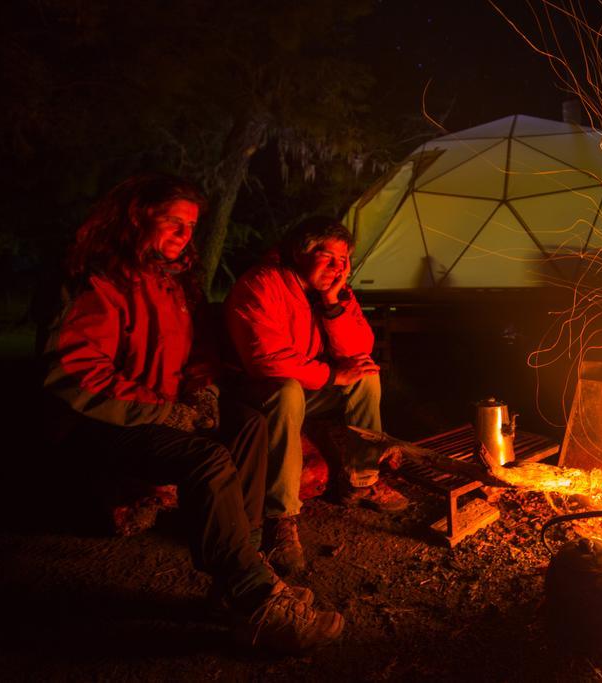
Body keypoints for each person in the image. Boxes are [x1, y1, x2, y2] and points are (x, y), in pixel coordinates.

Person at [41, 173, 342, 653]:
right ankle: (255, 599)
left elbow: (197, 352)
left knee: (248, 423)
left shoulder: (176, 284)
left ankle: (238, 575)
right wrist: (164, 412)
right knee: (206, 460)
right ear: (137, 219)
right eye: (173, 224)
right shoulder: (97, 279)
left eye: (190, 228)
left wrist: (201, 389)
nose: (184, 238)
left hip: (159, 410)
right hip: (99, 420)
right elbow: (75, 373)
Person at [225, 216, 408, 575]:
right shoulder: (262, 284)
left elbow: (360, 349)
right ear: (299, 252)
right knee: (289, 390)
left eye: (344, 260)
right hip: (256, 391)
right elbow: (264, 360)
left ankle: (361, 480)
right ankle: (281, 516)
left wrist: (332, 304)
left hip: (309, 385)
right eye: (328, 257)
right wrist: (329, 374)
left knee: (366, 378)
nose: (338, 267)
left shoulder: (332, 292)